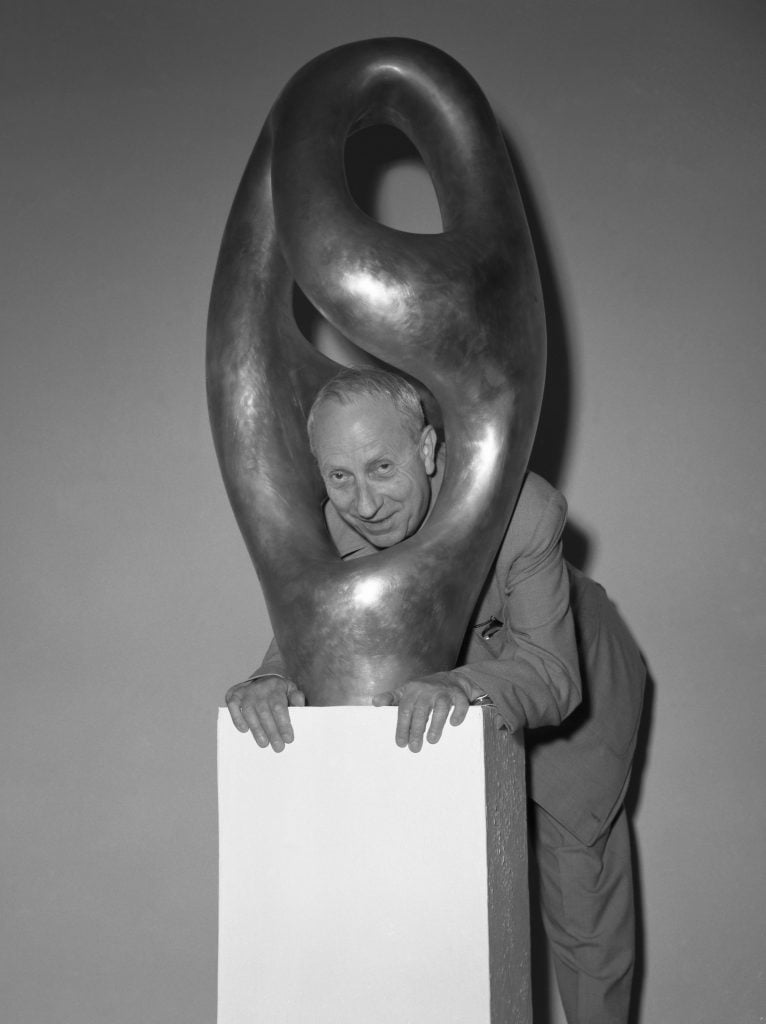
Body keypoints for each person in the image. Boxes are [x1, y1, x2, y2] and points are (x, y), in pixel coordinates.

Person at [225, 368, 646, 1024]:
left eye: (382, 466)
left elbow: (553, 676)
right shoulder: (340, 528)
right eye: (340, 477)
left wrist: (459, 684)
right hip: (445, 691)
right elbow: (323, 624)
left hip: (571, 699)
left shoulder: (521, 510)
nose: (364, 503)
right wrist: (269, 681)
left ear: (427, 449)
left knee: (583, 920)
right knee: (434, 918)